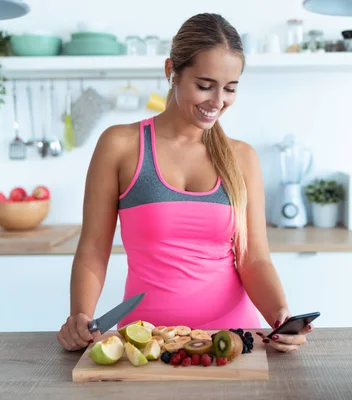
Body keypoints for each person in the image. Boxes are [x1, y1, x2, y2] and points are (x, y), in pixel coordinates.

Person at [57, 13, 312, 354]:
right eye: (204, 85)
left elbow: (253, 259)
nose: (217, 101)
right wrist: (80, 316)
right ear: (171, 71)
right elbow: (93, 249)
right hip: (146, 345)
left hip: (234, 342)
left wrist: (280, 315)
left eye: (230, 88)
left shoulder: (242, 158)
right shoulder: (120, 145)